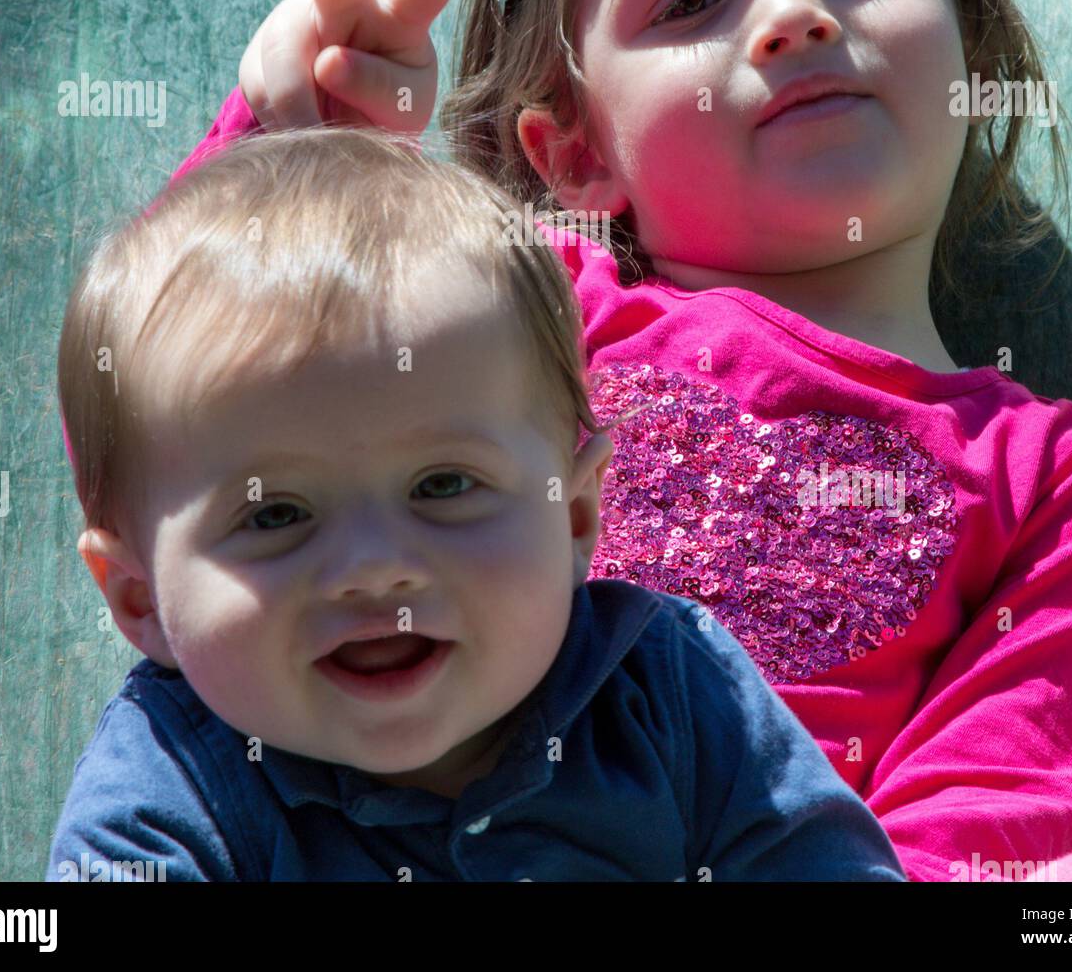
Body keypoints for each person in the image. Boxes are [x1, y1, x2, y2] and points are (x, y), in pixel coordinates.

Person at [173, 0, 1072, 883]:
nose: (795, 17)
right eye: (692, 0)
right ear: (570, 156)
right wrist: (293, 143)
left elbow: (977, 821)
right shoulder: (516, 313)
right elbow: (172, 438)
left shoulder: (1062, 491)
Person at [44, 124, 906, 881]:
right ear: (139, 597)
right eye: (275, 514)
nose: (376, 565)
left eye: (443, 486)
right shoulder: (174, 785)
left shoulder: (669, 690)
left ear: (575, 519)